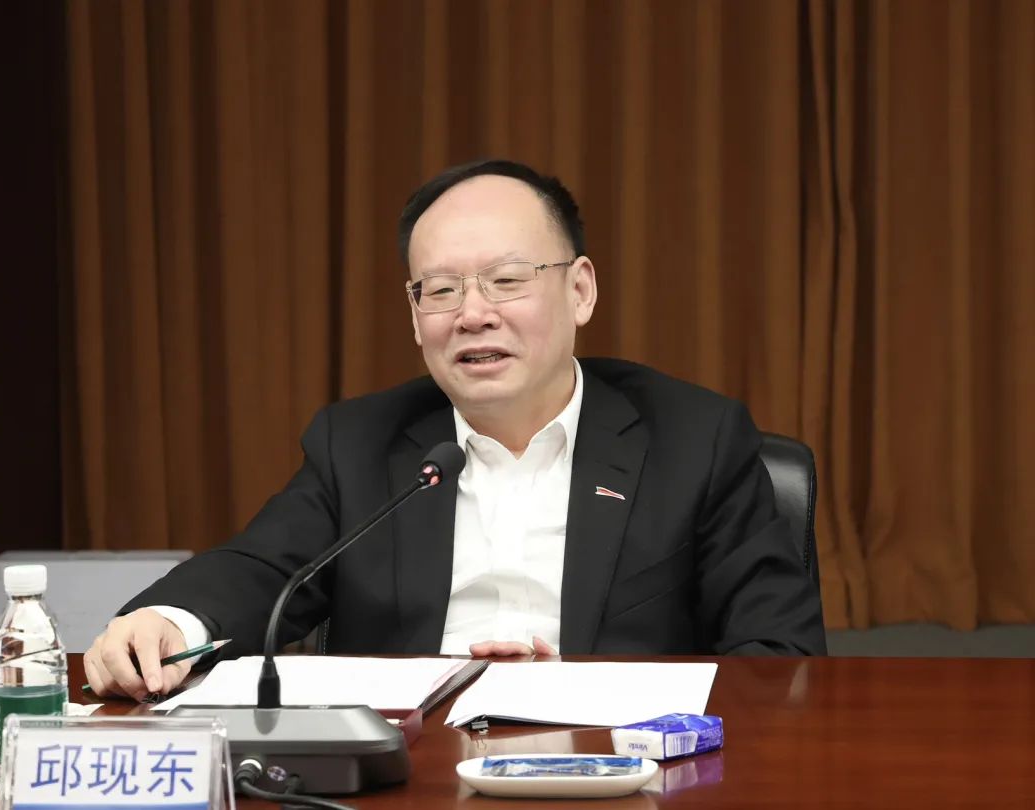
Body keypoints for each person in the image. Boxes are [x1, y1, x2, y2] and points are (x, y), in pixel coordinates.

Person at [84, 159, 826, 700]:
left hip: (619, 773)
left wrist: (577, 695)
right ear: (415, 317)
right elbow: (262, 569)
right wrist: (169, 622)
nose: (473, 314)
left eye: (507, 280)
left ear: (580, 290)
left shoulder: (694, 438)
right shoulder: (361, 443)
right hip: (409, 774)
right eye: (440, 290)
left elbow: (778, 655)